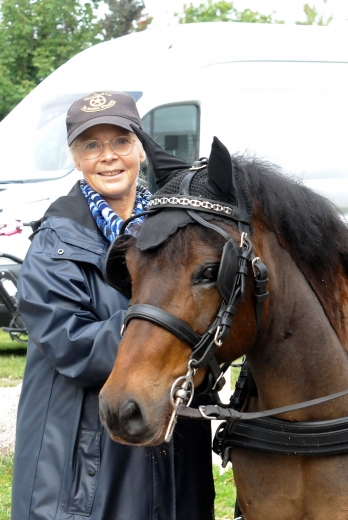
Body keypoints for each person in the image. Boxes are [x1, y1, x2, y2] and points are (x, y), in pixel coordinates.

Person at [11, 91, 214, 520]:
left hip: (173, 460)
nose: (108, 156)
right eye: (92, 145)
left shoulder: (174, 231)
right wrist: (162, 323)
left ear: (140, 149)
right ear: (76, 159)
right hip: (86, 470)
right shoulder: (55, 243)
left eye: (121, 141)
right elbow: (71, 343)